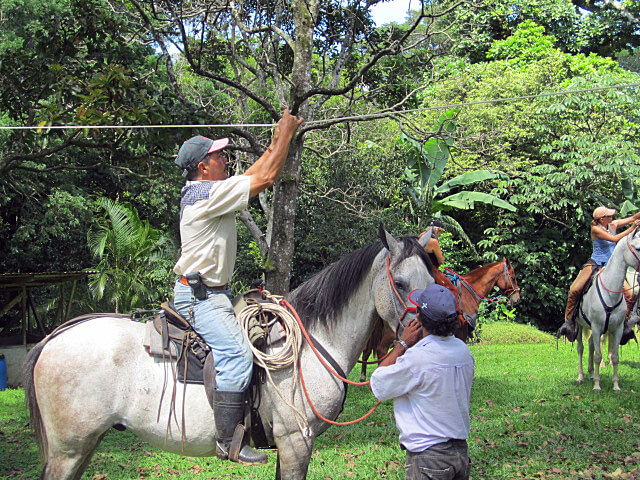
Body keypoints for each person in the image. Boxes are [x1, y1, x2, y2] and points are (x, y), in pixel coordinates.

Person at [172, 109, 304, 465]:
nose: (225, 158)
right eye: (218, 156)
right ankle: (227, 441)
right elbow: (268, 175)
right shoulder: (206, 195)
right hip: (201, 298)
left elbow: (253, 173)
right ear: (203, 166)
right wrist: (287, 135)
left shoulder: (209, 190)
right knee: (236, 355)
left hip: (210, 292)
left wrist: (278, 137)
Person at [370, 284, 475, 480]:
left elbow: (378, 384)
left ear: (418, 317)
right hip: (460, 453)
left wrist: (402, 344)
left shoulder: (418, 358)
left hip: (429, 458)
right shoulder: (463, 351)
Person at [557, 206, 640, 343]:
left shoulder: (612, 224)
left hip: (612, 267)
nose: (612, 218)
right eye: (609, 216)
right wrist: (631, 229)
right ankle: (569, 322)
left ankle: (624, 322)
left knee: (630, 294)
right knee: (575, 289)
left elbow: (632, 218)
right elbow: (615, 239)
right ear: (602, 219)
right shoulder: (596, 230)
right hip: (596, 264)